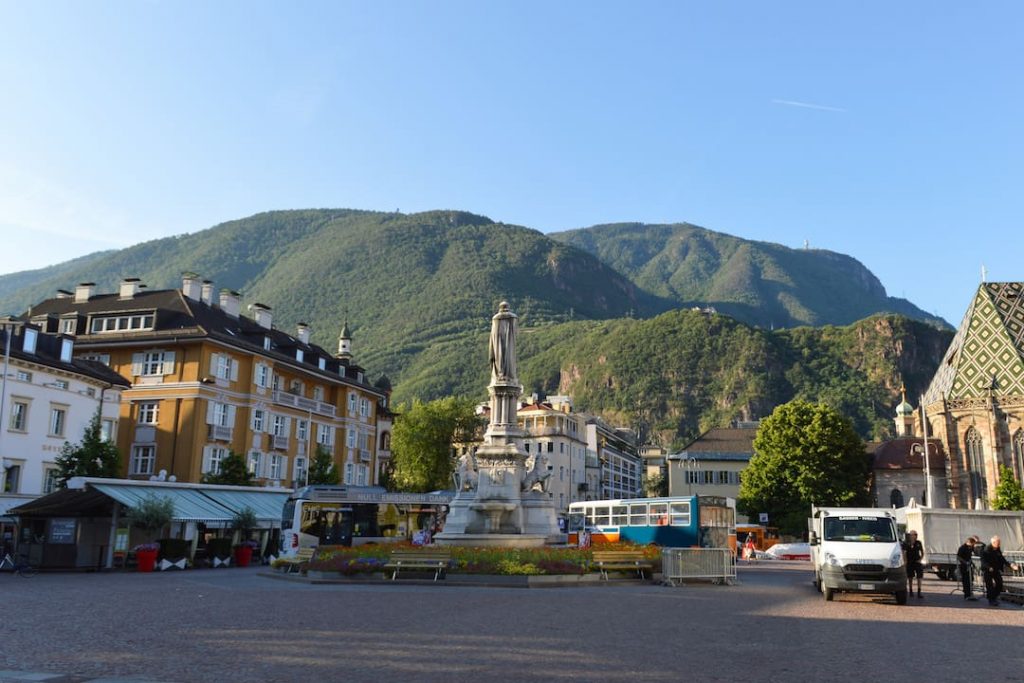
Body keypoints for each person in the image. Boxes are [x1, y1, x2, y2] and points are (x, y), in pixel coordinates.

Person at [979, 535, 1019, 607]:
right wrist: (989, 567)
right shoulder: (986, 550)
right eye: (998, 542)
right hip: (988, 570)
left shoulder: (997, 549)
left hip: (996, 569)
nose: (999, 544)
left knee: (1000, 584)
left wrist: (1011, 565)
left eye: (999, 542)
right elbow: (983, 561)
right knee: (989, 585)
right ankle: (991, 600)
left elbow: (1002, 559)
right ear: (993, 542)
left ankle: (993, 597)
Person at [903, 530, 925, 598]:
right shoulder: (906, 543)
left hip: (917, 561)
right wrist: (905, 561)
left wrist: (920, 559)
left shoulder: (918, 543)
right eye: (912, 534)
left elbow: (922, 552)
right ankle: (911, 591)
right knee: (910, 577)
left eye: (915, 534)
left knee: (919, 576)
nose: (914, 536)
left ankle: (919, 592)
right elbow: (904, 553)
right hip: (910, 562)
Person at [956, 536, 979, 601]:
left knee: (971, 580)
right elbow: (958, 557)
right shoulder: (962, 548)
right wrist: (965, 562)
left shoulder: (971, 548)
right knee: (966, 581)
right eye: (973, 544)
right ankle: (967, 595)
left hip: (969, 566)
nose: (973, 545)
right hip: (964, 566)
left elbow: (972, 555)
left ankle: (970, 594)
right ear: (969, 542)